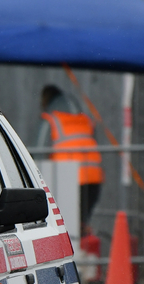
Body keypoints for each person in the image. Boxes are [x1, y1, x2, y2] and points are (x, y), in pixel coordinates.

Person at [36, 85, 104, 235]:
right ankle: (83, 250)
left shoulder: (51, 120)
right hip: (93, 179)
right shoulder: (84, 119)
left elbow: (38, 151)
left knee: (65, 227)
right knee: (80, 225)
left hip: (68, 180)